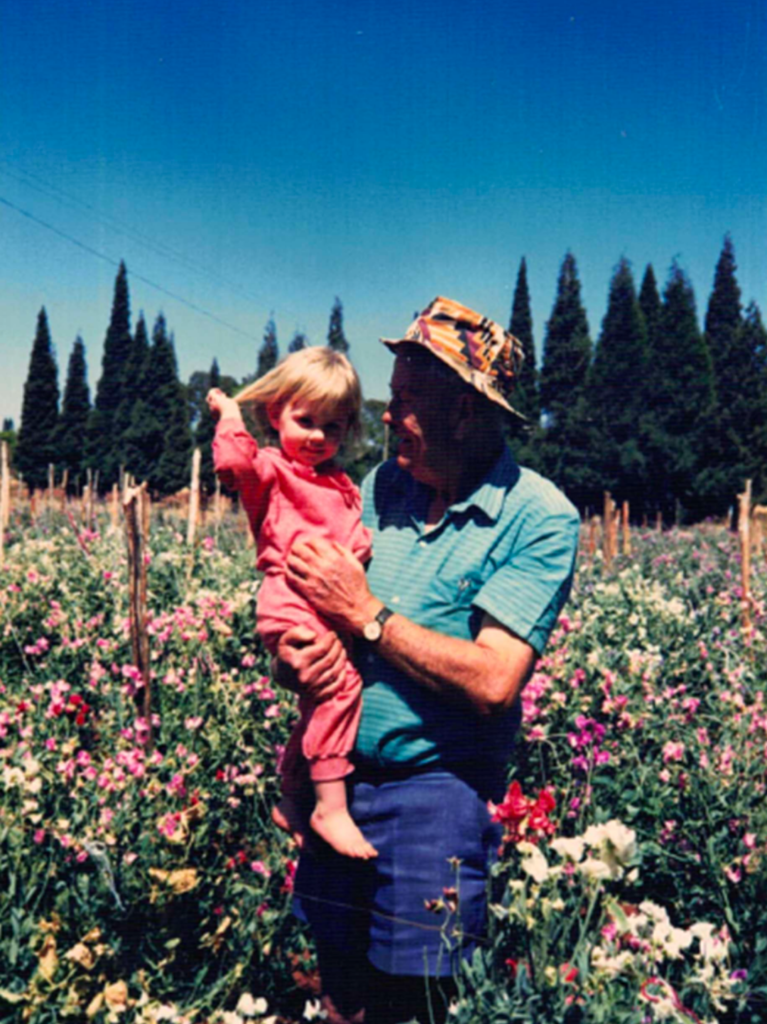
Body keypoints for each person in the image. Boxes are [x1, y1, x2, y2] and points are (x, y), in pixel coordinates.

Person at [274, 297, 581, 1024]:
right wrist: (292, 658)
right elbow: (318, 610)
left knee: (415, 1003)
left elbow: (493, 680)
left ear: (465, 411)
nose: (385, 416)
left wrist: (367, 614)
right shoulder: (381, 488)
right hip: (339, 780)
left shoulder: (538, 517)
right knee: (339, 991)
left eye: (407, 399)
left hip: (436, 796)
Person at [207, 347, 378, 859]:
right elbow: (234, 461)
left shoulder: (340, 485)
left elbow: (350, 539)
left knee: (319, 698)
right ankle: (331, 806)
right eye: (306, 421)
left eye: (334, 427)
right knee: (340, 689)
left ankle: (291, 794)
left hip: (326, 604)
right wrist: (230, 415)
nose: (318, 437)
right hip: (293, 598)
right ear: (274, 414)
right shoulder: (271, 473)